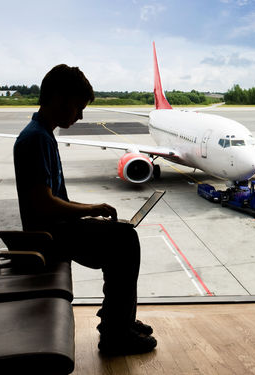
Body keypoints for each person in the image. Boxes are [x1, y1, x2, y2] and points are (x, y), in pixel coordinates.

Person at [13, 64, 157, 355]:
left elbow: (51, 199)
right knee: (124, 240)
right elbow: (43, 204)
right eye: (78, 107)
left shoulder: (42, 134)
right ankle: (116, 334)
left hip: (55, 229)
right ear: (58, 99)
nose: (79, 116)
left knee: (122, 235)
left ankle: (120, 322)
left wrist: (90, 211)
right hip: (48, 237)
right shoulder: (36, 138)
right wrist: (89, 209)